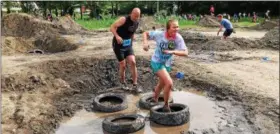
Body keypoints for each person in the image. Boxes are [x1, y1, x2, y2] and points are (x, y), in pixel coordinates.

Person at [142, 19, 188, 112]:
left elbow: (186, 53)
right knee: (169, 83)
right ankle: (166, 105)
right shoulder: (159, 34)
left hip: (167, 63)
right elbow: (145, 33)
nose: (177, 29)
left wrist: (173, 51)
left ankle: (155, 99)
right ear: (168, 28)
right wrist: (145, 43)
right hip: (157, 62)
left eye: (178, 26)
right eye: (174, 27)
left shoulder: (178, 38)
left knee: (162, 83)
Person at [110, 8, 142, 93]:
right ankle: (123, 82)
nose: (136, 18)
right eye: (135, 16)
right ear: (131, 13)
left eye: (138, 16)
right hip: (118, 45)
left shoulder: (137, 22)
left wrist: (131, 43)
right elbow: (112, 27)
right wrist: (117, 36)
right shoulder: (123, 19)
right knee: (123, 64)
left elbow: (132, 32)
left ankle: (135, 84)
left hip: (128, 45)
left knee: (133, 62)